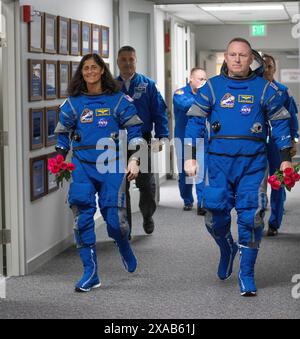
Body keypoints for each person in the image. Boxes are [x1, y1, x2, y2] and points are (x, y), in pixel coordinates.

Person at [185, 38, 293, 297]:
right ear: (225, 57)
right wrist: (191, 156)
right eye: (232, 55)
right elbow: (195, 123)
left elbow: (280, 125)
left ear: (251, 58)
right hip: (218, 163)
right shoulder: (212, 87)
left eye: (242, 55)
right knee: (214, 217)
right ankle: (227, 248)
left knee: (252, 217)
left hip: (253, 164)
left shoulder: (265, 89)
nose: (237, 59)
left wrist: (286, 157)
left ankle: (246, 273)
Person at [54, 53, 144, 292]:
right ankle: (90, 272)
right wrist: (58, 160)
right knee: (82, 216)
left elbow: (136, 132)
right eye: (86, 68)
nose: (90, 72)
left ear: (102, 70)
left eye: (94, 67)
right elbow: (62, 135)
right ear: (81, 73)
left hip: (111, 163)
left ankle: (122, 242)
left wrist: (135, 160)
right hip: (83, 164)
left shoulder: (117, 100)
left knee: (114, 220)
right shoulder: (73, 103)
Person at [116, 46, 169, 235]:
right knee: (121, 184)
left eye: (131, 59)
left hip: (142, 140)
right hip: (117, 143)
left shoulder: (148, 85)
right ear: (117, 62)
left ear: (136, 61)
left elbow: (159, 112)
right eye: (123, 59)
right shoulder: (111, 87)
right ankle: (125, 227)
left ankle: (147, 215)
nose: (127, 63)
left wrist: (162, 136)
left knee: (145, 184)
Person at [262, 53, 299, 236]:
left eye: (269, 66)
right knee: (256, 183)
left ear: (274, 69)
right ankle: (256, 218)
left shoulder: (283, 91)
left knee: (278, 183)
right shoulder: (253, 89)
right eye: (263, 66)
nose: (266, 70)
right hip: (259, 144)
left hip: (278, 145)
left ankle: (274, 223)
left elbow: (292, 118)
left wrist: (294, 141)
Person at [173, 68, 208, 215]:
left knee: (201, 170)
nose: (202, 82)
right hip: (183, 138)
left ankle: (202, 202)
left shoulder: (206, 95)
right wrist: (203, 99)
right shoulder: (180, 93)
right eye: (199, 79)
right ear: (191, 79)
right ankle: (187, 200)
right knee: (185, 172)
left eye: (205, 79)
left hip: (201, 137)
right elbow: (186, 105)